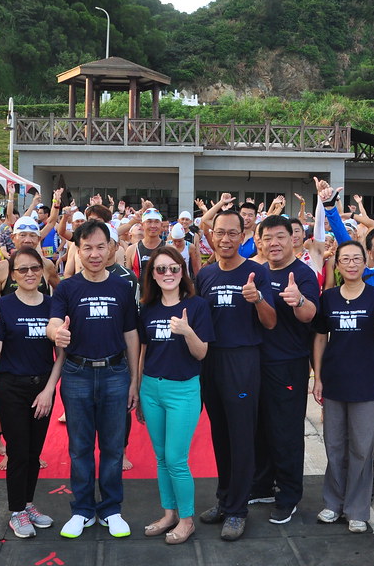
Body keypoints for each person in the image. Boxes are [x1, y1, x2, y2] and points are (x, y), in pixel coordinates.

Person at [47, 220, 140, 539]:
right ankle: (83, 509)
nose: (95, 253)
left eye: (101, 246)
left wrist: (133, 381)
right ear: (78, 249)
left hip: (116, 373)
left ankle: (111, 508)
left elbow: (131, 334)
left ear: (112, 247)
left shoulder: (122, 287)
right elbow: (54, 321)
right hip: (77, 374)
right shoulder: (68, 287)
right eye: (87, 247)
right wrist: (56, 333)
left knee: (114, 447)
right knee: (80, 447)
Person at [196, 209, 276, 541]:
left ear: (243, 237)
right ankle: (224, 499)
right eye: (220, 233)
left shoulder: (257, 272)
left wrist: (257, 300)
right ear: (211, 236)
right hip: (210, 361)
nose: (226, 239)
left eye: (233, 233)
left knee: (242, 436)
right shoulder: (205, 274)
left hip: (243, 360)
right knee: (220, 435)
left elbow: (270, 322)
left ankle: (238, 510)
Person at [312, 240, 374, 533]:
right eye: (345, 259)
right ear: (338, 264)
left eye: (356, 258)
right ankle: (333, 503)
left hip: (366, 384)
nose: (350, 264)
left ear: (365, 261)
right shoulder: (329, 297)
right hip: (334, 382)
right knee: (335, 446)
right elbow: (321, 337)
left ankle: (357, 508)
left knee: (362, 447)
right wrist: (318, 377)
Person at [0, 247, 64, 538]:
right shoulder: (2, 306)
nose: (29, 274)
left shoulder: (52, 306)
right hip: (12, 387)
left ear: (42, 271)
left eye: (34, 268)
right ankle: (16, 510)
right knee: (18, 451)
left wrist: (48, 390)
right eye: (22, 270)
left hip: (43, 386)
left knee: (34, 451)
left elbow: (60, 354)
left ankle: (28, 504)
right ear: (13, 275)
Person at [136, 246, 214, 545]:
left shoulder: (197, 307)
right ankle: (168, 513)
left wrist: (187, 331)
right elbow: (144, 351)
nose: (167, 274)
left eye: (173, 268)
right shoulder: (148, 309)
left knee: (176, 458)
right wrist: (139, 388)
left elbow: (202, 352)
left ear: (183, 271)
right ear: (152, 276)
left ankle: (186, 519)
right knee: (160, 457)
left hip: (183, 390)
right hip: (151, 388)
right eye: (160, 269)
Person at [251, 215, 320, 524]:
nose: (274, 243)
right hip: (257, 363)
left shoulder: (302, 274)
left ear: (294, 239)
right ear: (260, 242)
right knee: (261, 429)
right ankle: (263, 485)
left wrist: (299, 299)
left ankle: (288, 495)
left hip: (288, 365)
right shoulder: (259, 272)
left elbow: (310, 315)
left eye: (281, 236)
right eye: (268, 238)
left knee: (286, 433)